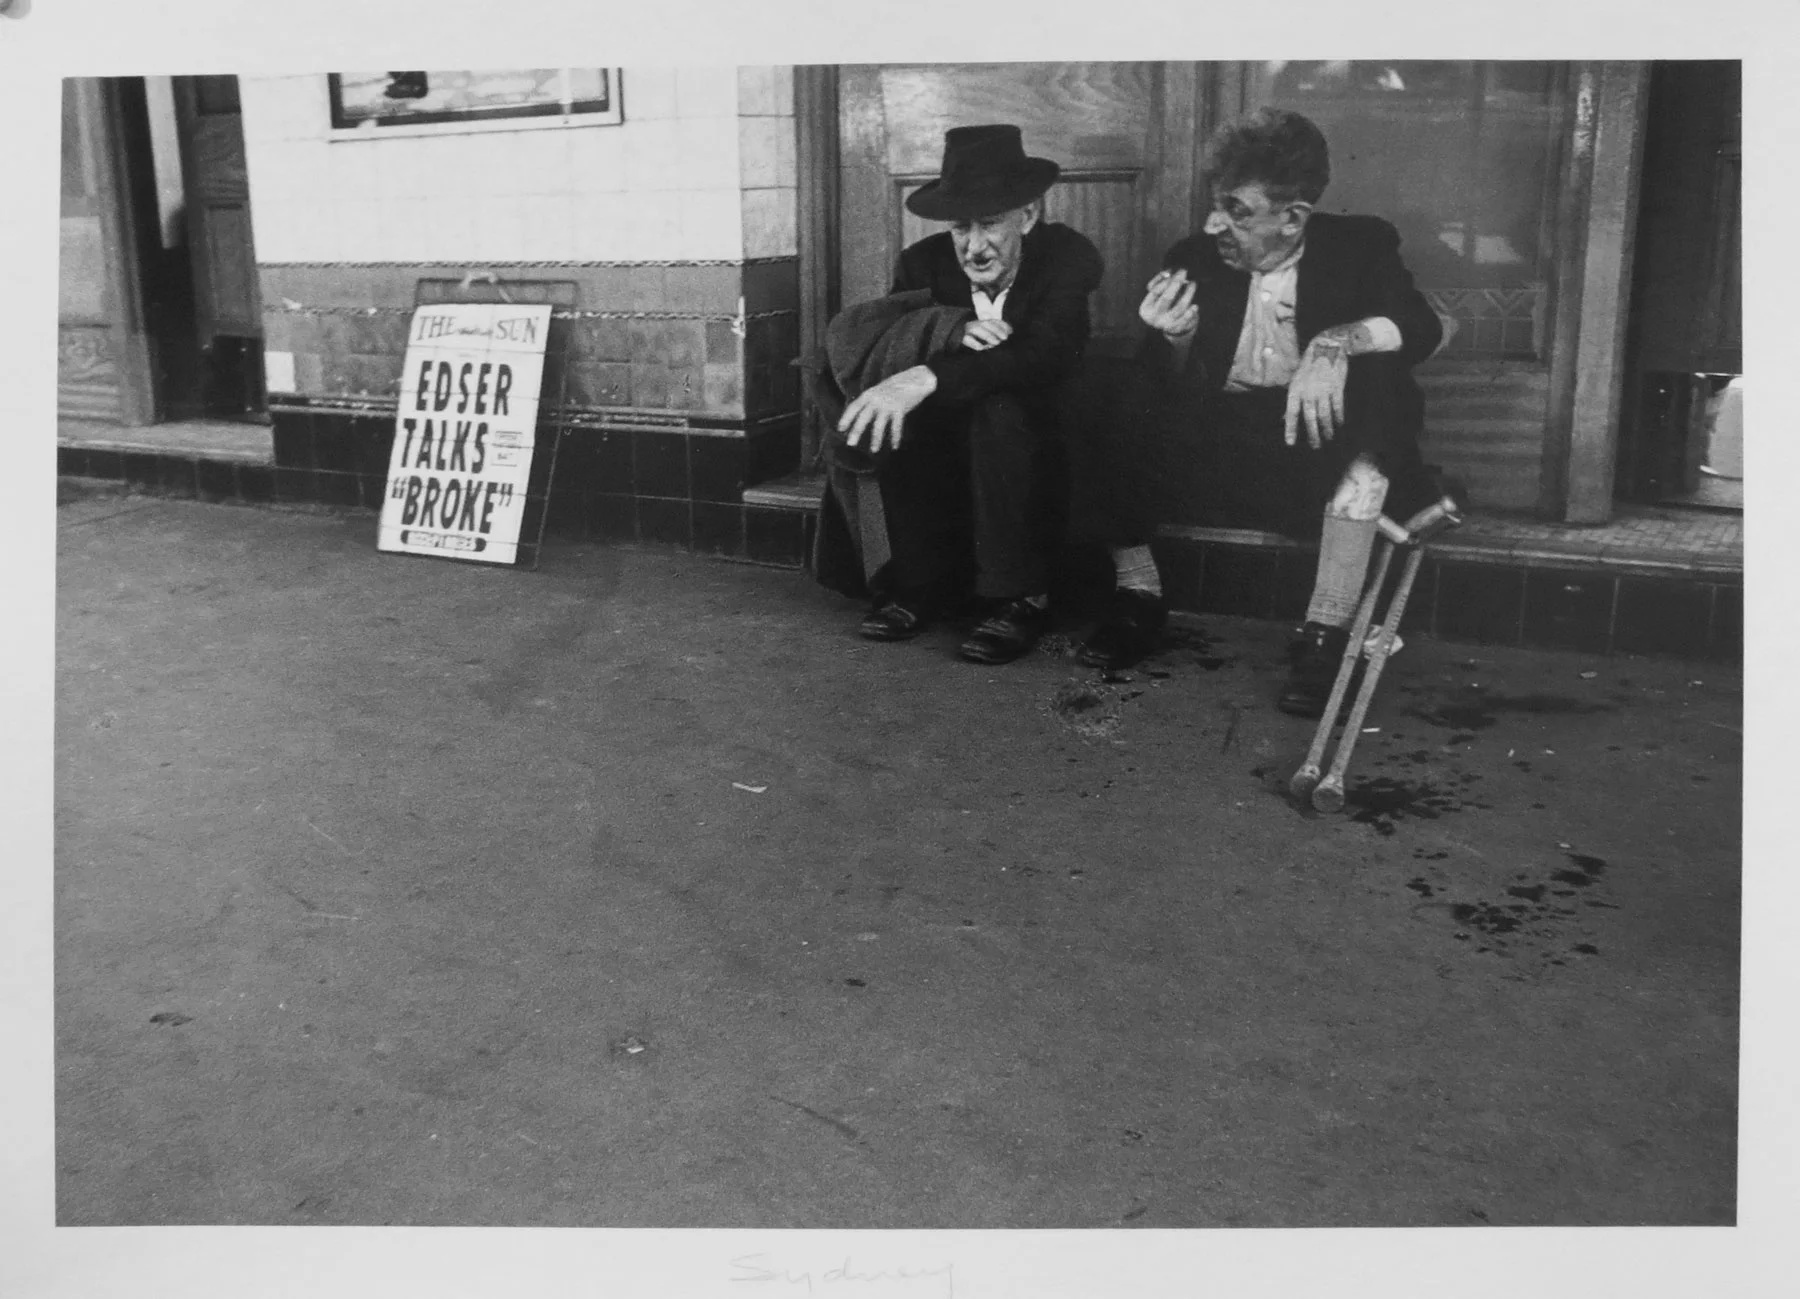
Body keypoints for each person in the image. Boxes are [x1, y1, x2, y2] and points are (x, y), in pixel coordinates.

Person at [1076, 108, 1444, 716]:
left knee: (1381, 389)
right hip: (1217, 445)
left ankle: (1325, 634)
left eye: (1237, 210)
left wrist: (1334, 343)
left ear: (1294, 218)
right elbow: (1162, 392)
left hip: (1313, 449)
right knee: (1101, 384)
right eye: (1215, 203)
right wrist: (1174, 341)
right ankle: (1138, 595)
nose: (1214, 222)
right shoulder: (1195, 256)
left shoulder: (1361, 246)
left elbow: (1420, 326)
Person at [834, 124, 1104, 665]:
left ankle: (1020, 596)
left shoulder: (1067, 256)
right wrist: (948, 331)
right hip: (952, 430)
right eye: (961, 227)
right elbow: (894, 336)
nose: (974, 246)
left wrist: (930, 376)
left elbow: (1046, 355)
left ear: (1027, 217)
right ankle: (921, 583)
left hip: (1042, 427)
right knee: (898, 412)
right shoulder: (923, 262)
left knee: (998, 411)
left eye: (991, 224)